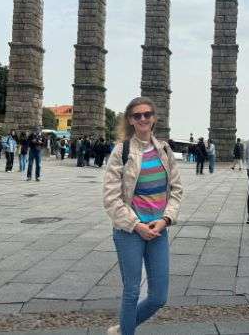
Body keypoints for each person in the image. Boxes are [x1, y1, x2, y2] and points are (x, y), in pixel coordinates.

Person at [103, 97, 183, 335]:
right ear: (130, 120)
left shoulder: (165, 150)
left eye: (147, 114)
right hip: (130, 230)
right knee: (132, 291)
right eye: (137, 115)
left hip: (158, 228)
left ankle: (124, 327)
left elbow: (177, 190)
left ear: (154, 118)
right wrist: (136, 225)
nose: (143, 119)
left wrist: (166, 219)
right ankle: (127, 331)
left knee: (159, 296)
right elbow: (111, 198)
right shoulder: (122, 151)